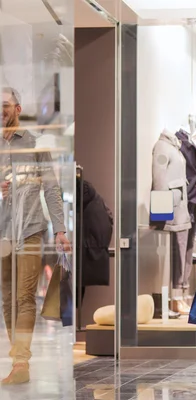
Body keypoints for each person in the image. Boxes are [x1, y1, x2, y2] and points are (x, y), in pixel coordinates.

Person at [0, 87, 71, 385]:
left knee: (24, 297)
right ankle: (19, 359)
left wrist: (60, 230)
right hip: (2, 234)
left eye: (5, 105)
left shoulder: (33, 144)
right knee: (6, 299)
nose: (0, 111)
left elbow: (52, 189)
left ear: (17, 109)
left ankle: (21, 362)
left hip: (30, 231)